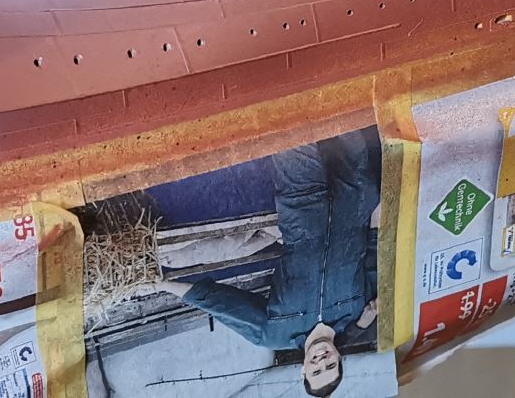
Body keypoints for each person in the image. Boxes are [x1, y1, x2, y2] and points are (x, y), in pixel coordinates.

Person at [152, 127, 379, 396]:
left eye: (316, 370)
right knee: (345, 124)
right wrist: (374, 208)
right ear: (340, 359)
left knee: (292, 130)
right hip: (354, 199)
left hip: (301, 205)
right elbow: (373, 252)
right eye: (330, 366)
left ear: (302, 370)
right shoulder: (356, 312)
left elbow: (218, 302)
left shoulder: (272, 333)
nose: (322, 360)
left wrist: (162, 285)